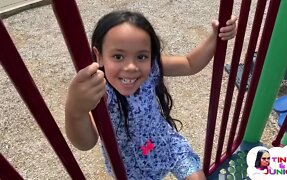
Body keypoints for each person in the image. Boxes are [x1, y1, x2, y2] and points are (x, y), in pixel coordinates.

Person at [65, 10, 237, 179]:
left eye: (141, 56)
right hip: (130, 168)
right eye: (118, 56)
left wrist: (216, 36)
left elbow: (190, 64)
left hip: (166, 145)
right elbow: (86, 143)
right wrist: (76, 110)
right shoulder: (101, 90)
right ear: (99, 56)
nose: (131, 66)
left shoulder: (153, 66)